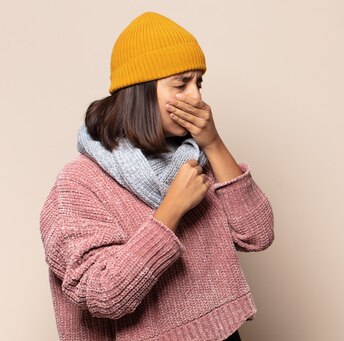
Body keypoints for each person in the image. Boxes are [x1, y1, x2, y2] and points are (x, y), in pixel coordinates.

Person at [38, 11, 274, 341]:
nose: (197, 97)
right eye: (181, 83)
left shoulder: (194, 158)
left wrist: (214, 143)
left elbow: (257, 234)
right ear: (141, 90)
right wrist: (171, 210)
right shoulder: (78, 185)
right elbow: (103, 294)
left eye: (198, 83)